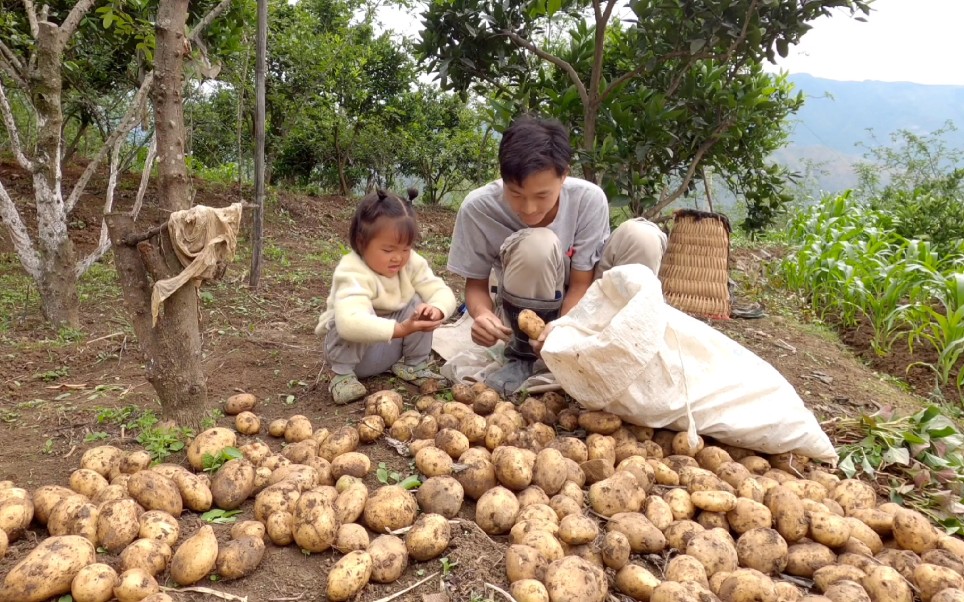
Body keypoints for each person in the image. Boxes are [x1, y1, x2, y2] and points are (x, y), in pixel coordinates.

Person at [446, 116, 668, 395]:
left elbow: (580, 283)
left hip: (583, 302)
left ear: (564, 175)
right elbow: (476, 286)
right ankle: (523, 356)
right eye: (515, 194)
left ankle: (627, 348)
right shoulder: (478, 209)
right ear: (502, 177)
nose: (528, 208)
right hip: (524, 306)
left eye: (542, 195)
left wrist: (564, 328)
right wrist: (481, 315)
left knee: (642, 237)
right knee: (537, 243)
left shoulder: (588, 199)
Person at [316, 188, 458, 404]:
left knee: (420, 302)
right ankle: (341, 377)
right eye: (388, 250)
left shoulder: (411, 263)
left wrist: (437, 309)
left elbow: (441, 290)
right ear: (362, 242)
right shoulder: (352, 271)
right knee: (346, 315)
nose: (398, 258)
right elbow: (348, 324)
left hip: (391, 349)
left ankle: (414, 365)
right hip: (354, 357)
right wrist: (401, 329)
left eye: (405, 249)